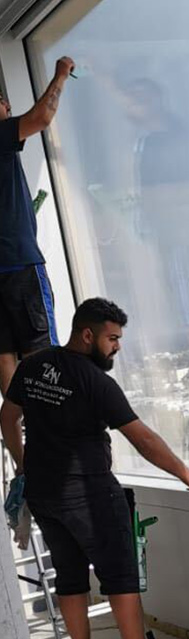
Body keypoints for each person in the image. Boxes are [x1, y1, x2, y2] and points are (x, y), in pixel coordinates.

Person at [0, 297, 189, 639]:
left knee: (69, 577)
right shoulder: (95, 381)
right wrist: (187, 473)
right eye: (112, 338)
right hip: (91, 492)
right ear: (88, 335)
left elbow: (7, 417)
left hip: (45, 493)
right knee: (119, 576)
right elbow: (143, 439)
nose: (117, 347)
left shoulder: (33, 366)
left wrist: (23, 464)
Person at [0, 56, 74, 397]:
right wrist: (61, 74)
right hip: (18, 264)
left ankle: (18, 432)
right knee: (40, 352)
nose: (7, 105)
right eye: (2, 100)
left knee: (4, 358)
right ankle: (51, 423)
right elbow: (42, 117)